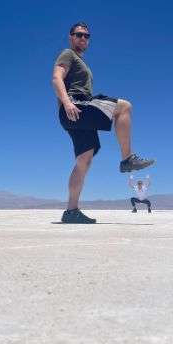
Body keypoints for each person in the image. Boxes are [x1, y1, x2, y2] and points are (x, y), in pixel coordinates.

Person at [52, 21, 155, 224]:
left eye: (86, 36)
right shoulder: (68, 54)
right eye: (79, 34)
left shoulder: (81, 61)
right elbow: (56, 78)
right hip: (76, 105)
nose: (83, 38)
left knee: (84, 160)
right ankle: (127, 159)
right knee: (124, 107)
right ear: (71, 37)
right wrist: (66, 102)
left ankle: (71, 211)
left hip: (75, 116)